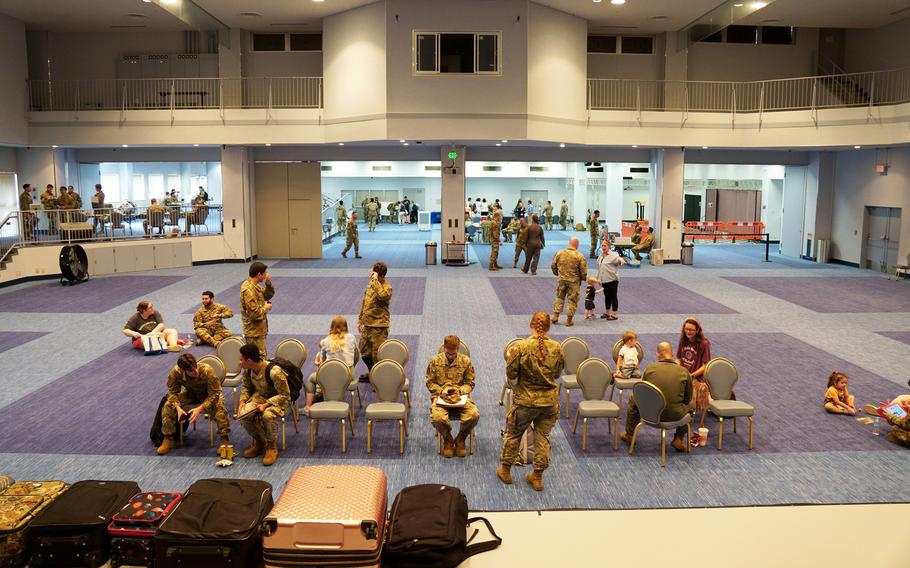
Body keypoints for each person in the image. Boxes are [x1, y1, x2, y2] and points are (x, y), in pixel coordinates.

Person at [497, 312, 564, 491]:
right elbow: (557, 374)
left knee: (514, 434)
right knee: (542, 438)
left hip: (525, 402)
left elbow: (511, 374)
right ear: (548, 327)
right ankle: (537, 477)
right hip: (549, 403)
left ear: (531, 325)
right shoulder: (557, 347)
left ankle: (505, 471)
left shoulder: (521, 347)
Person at [620, 342, 693, 453]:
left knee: (632, 399)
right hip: (675, 415)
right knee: (692, 404)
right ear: (672, 354)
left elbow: (642, 394)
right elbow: (687, 399)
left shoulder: (650, 369)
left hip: (651, 414)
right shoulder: (684, 371)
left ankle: (630, 435)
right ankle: (678, 439)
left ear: (658, 355)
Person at [156, 353, 232, 456]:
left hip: (209, 395)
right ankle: (168, 439)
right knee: (168, 405)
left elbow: (215, 394)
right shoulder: (176, 372)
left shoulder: (207, 370)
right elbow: (172, 392)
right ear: (183, 370)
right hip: (191, 394)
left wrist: (200, 409)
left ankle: (224, 439)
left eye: (195, 367)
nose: (195, 371)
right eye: (191, 371)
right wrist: (178, 408)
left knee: (220, 407)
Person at [427, 335, 479, 459]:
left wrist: (460, 391)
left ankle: (460, 439)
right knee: (437, 418)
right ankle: (448, 439)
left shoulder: (465, 361)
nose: (451, 356)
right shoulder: (435, 361)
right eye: (448, 354)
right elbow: (429, 382)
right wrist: (441, 390)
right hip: (441, 397)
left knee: (474, 415)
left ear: (458, 349)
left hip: (460, 397)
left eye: (453, 354)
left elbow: (470, 383)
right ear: (444, 348)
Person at [237, 343, 289, 466]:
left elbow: (285, 394)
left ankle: (271, 446)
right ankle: (259, 442)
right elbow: (246, 387)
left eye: (241, 359)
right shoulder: (248, 370)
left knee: (267, 415)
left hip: (278, 400)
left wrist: (266, 405)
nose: (240, 362)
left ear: (249, 360)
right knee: (244, 415)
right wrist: (242, 402)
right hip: (260, 396)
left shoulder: (274, 372)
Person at [304, 316, 357, 414]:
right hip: (349, 375)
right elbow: (356, 353)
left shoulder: (325, 341)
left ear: (332, 327)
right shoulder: (352, 337)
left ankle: (308, 406)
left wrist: (318, 361)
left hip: (330, 376)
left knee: (311, 379)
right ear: (346, 326)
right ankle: (321, 392)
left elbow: (323, 363)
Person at [677, 317, 711, 444]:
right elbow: (679, 358)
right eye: (686, 329)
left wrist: (691, 375)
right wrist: (678, 369)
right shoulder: (683, 339)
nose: (688, 332)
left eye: (691, 329)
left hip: (696, 377)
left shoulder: (704, 343)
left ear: (697, 330)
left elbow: (705, 365)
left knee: (690, 390)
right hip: (683, 374)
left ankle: (687, 416)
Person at [358, 261, 392, 381]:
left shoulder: (387, 288)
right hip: (367, 324)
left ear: (381, 276)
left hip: (379, 327)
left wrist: (375, 281)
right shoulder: (371, 284)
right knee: (364, 352)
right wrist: (360, 319)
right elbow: (365, 301)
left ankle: (379, 380)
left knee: (377, 355)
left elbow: (382, 296)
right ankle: (373, 374)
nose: (370, 274)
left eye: (373, 273)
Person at [551, 236, 588, 327]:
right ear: (577, 245)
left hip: (562, 280)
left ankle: (556, 316)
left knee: (560, 297)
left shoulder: (559, 253)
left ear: (569, 243)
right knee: (572, 300)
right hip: (574, 282)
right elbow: (583, 272)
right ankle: (569, 320)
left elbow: (553, 266)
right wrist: (582, 278)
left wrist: (558, 274)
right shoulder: (580, 256)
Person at [240, 261, 275, 356]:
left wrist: (268, 283)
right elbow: (254, 315)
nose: (266, 275)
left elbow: (267, 296)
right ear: (259, 274)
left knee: (257, 360)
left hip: (258, 330)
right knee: (258, 360)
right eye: (264, 274)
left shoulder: (254, 286)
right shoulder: (248, 290)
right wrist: (266, 307)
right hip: (253, 332)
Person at [598, 237, 625, 320]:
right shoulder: (601, 255)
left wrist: (621, 260)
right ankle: (607, 312)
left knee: (613, 296)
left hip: (612, 280)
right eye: (602, 245)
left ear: (609, 246)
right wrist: (598, 278)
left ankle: (614, 314)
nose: (603, 247)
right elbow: (600, 267)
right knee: (607, 296)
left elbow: (618, 258)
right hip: (604, 280)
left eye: (605, 245)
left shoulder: (613, 255)